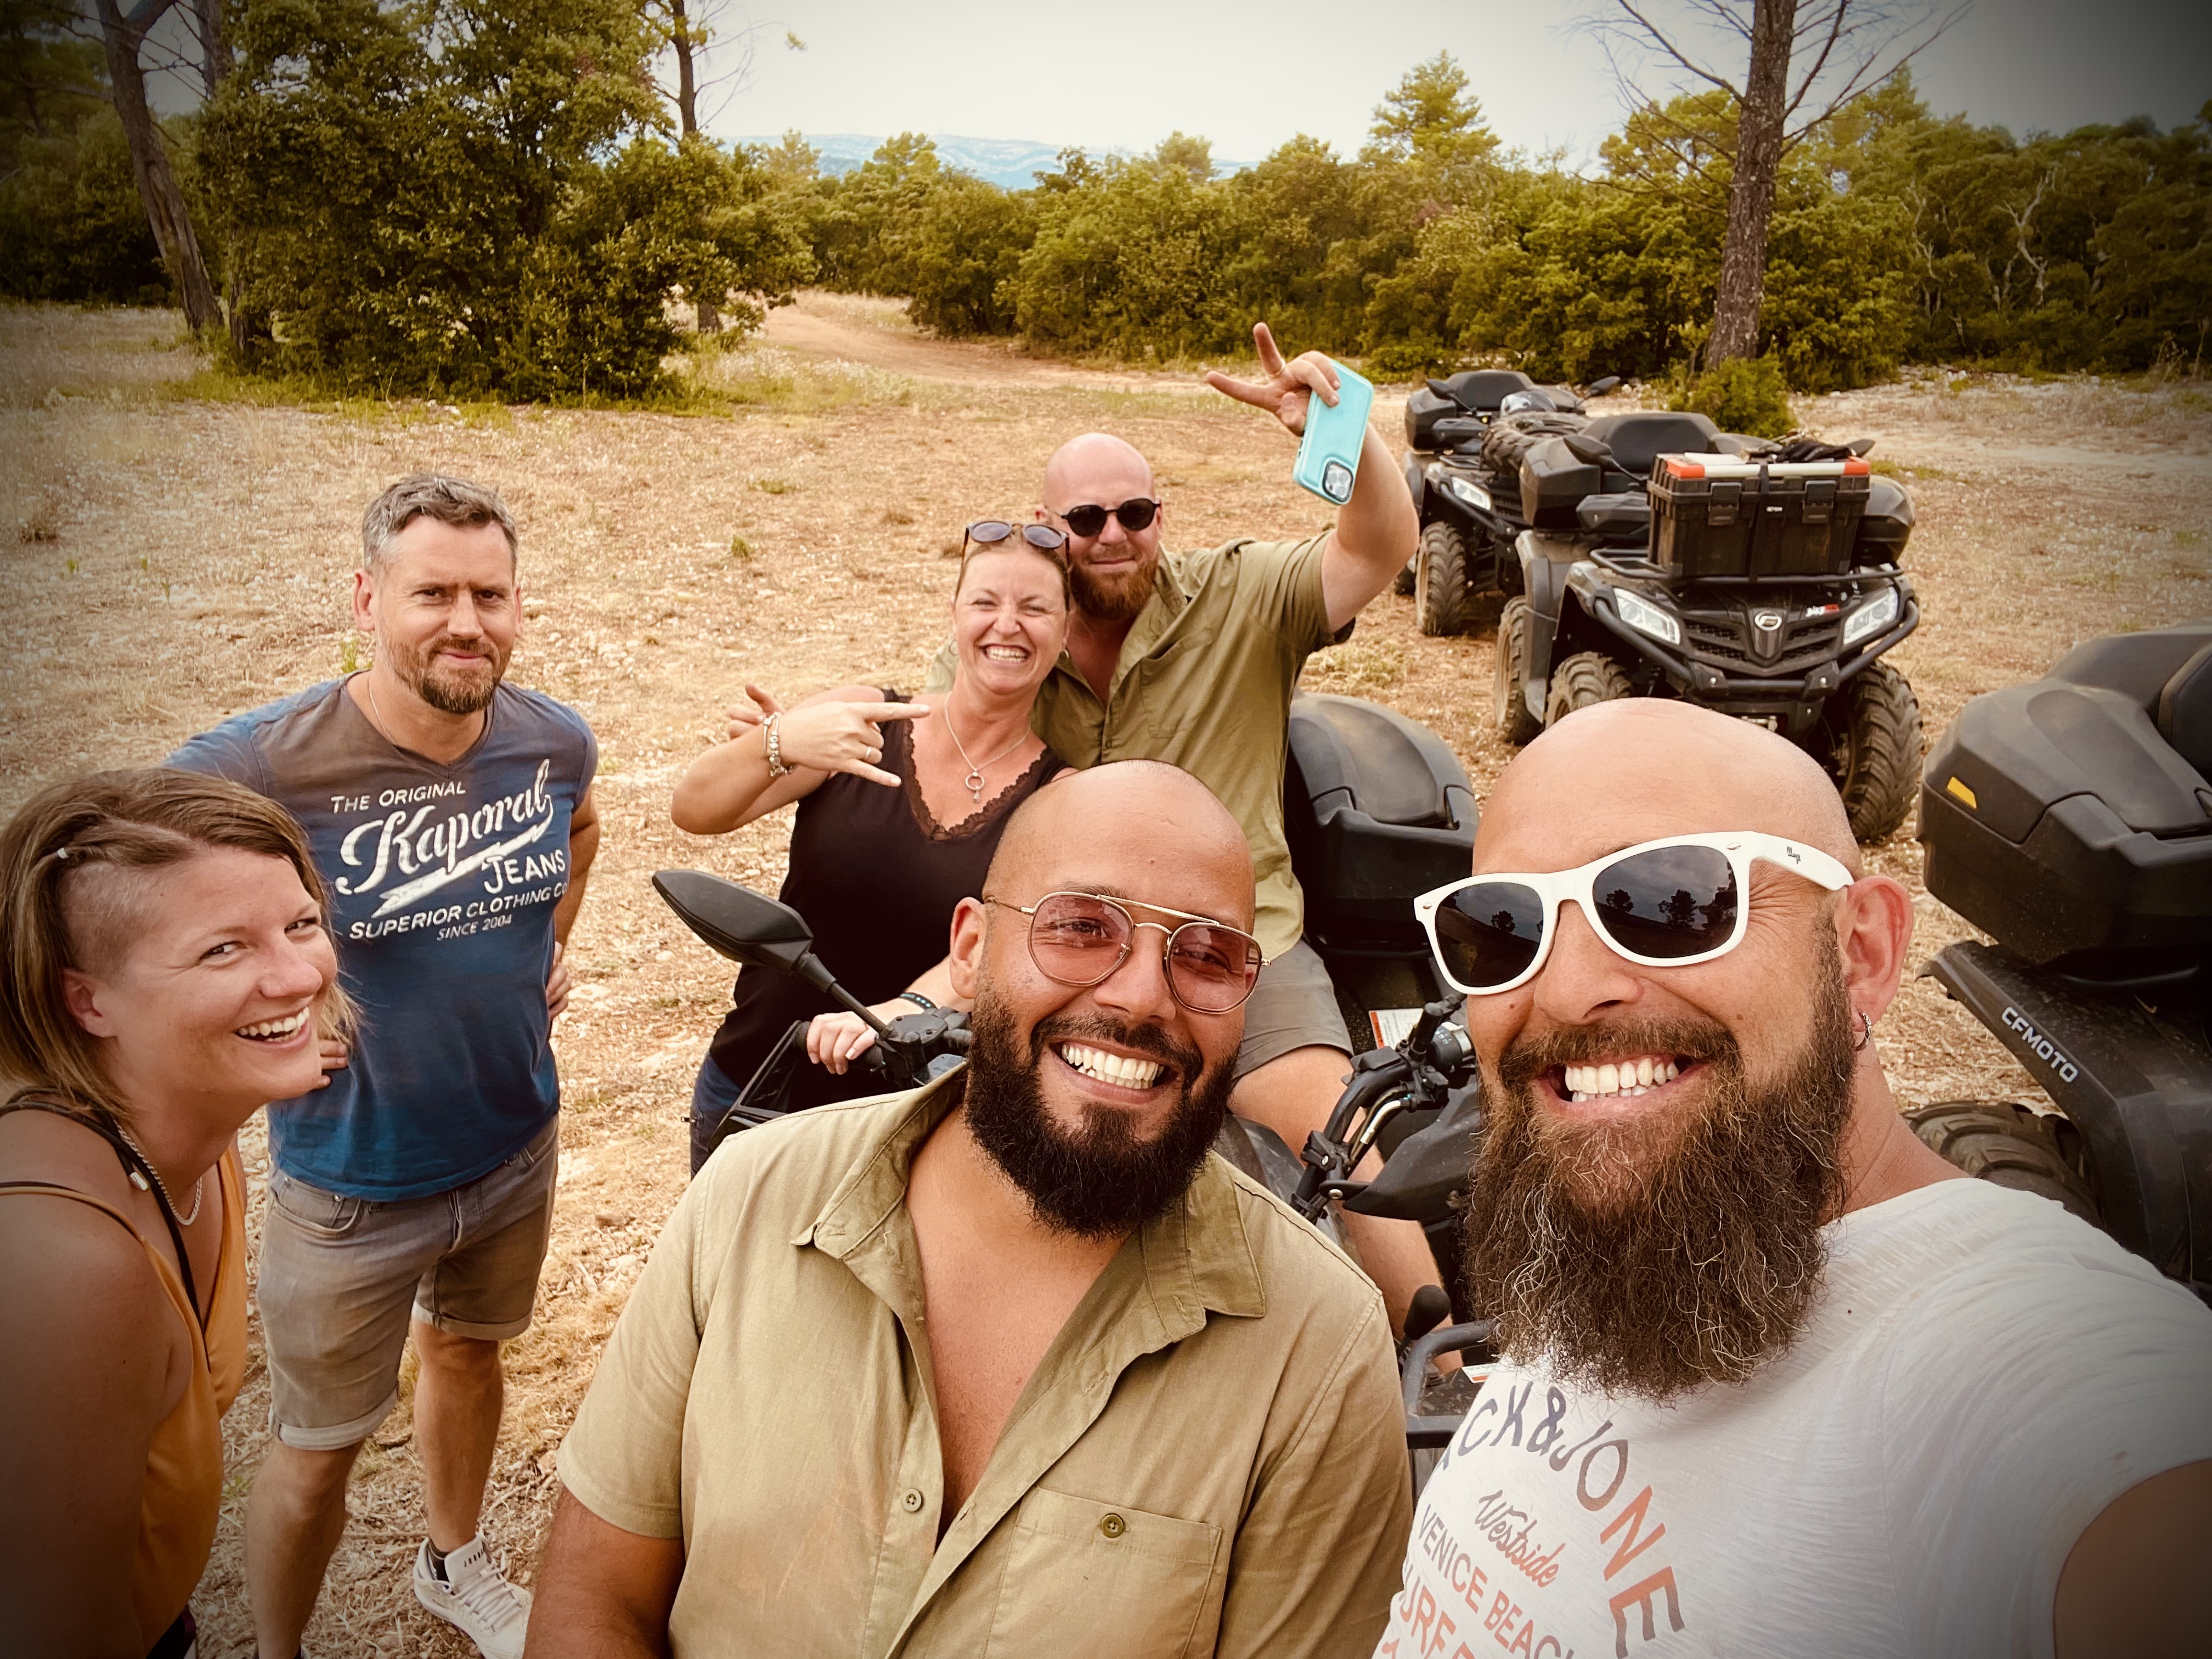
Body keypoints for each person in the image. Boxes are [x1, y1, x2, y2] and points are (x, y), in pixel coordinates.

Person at [1375, 699, 2212, 1659]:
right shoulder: (1628, 1239)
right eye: (1503, 928)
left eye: (1665, 901)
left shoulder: (2029, 1361)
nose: (1564, 991)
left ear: (1860, 953)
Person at [526, 762, 1413, 1658]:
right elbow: (596, 1593)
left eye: (1207, 954)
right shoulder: (750, 1197)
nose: (1143, 996)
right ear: (970, 948)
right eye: (1081, 926)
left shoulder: (1317, 1346)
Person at [903, 323, 1438, 1331]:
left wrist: (1344, 432)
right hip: (1068, 945)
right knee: (976, 1145)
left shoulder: (1241, 597)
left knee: (1335, 1131)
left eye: (1136, 513)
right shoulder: (1019, 638)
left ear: (1162, 515)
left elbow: (1380, 547)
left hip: (1237, 940)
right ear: (1047, 527)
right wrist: (794, 741)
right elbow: (935, 743)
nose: (1113, 535)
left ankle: (1439, 1359)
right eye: (1087, 517)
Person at [167, 473, 601, 1659]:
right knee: (316, 1450)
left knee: (468, 1350)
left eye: (490, 595)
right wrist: (252, 1031)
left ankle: (453, 1562)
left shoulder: (552, 741)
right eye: (433, 594)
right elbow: (125, 908)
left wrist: (549, 946)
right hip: (350, 1183)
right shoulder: (261, 766)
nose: (467, 623)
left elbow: (578, 829)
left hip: (513, 1144)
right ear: (366, 600)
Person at [0, 768, 349, 1659]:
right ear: (87, 1001)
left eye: (301, 923)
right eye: (222, 950)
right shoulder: (63, 1261)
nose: (298, 974)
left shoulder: (194, 1133)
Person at [671, 520, 1070, 1170]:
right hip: (760, 1085)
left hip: (913, 1120)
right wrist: (778, 743)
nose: (1007, 624)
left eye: (1035, 608)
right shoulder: (862, 718)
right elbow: (694, 810)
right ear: (954, 616)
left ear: (1065, 632)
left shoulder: (1059, 796)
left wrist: (904, 1011)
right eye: (985, 602)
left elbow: (1009, 941)